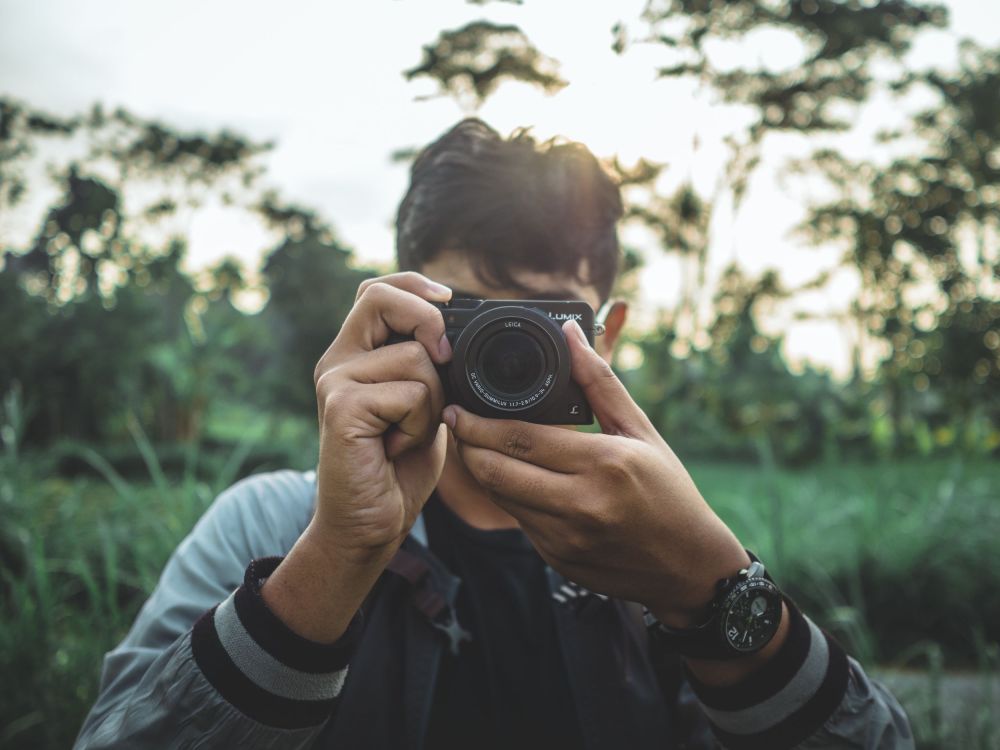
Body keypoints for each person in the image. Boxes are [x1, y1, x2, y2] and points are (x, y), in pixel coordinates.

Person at [75, 119, 913, 749]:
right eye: (476, 320)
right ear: (403, 309)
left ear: (606, 336)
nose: (508, 358)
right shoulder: (271, 527)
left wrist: (711, 590)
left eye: (544, 326)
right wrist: (338, 552)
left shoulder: (657, 548)